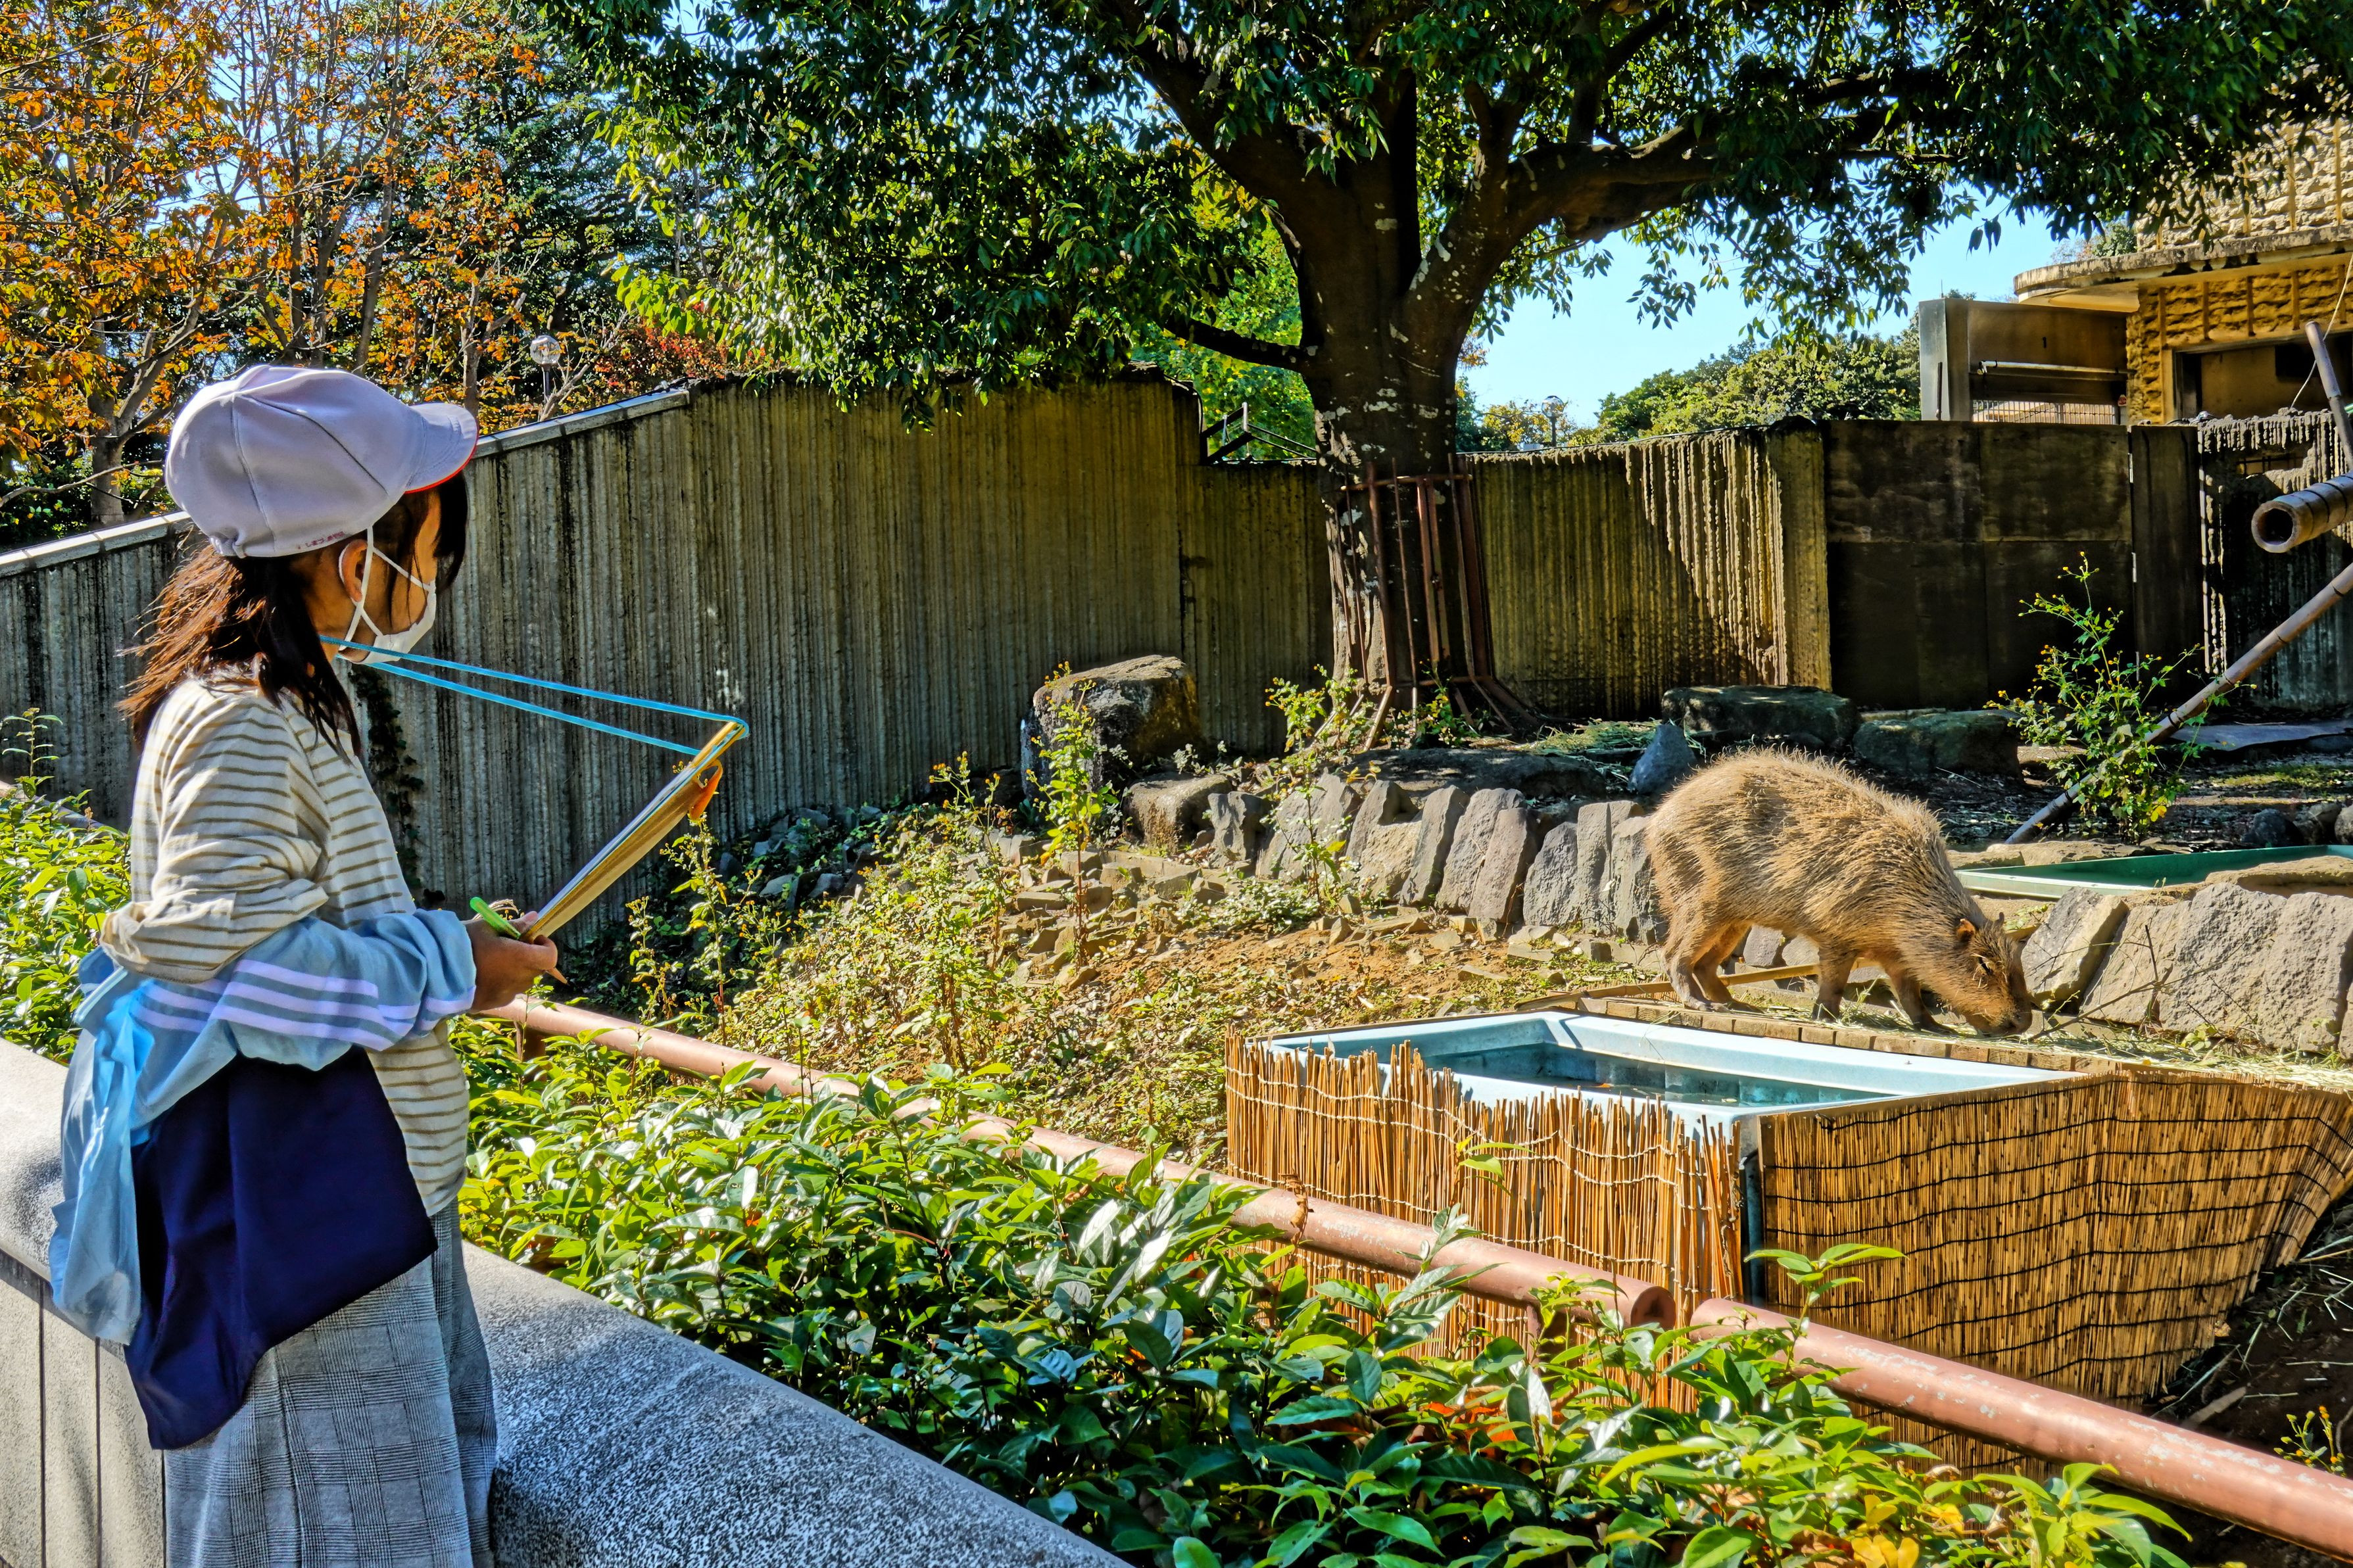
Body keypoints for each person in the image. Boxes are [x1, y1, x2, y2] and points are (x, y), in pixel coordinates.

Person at [47, 366, 558, 1567]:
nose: (432, 569)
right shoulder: (239, 717)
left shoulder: (287, 698)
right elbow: (228, 969)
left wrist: (451, 945)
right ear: (350, 548)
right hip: (317, 1232)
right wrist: (452, 965)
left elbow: (274, 929)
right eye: (428, 539)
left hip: (360, 1204)